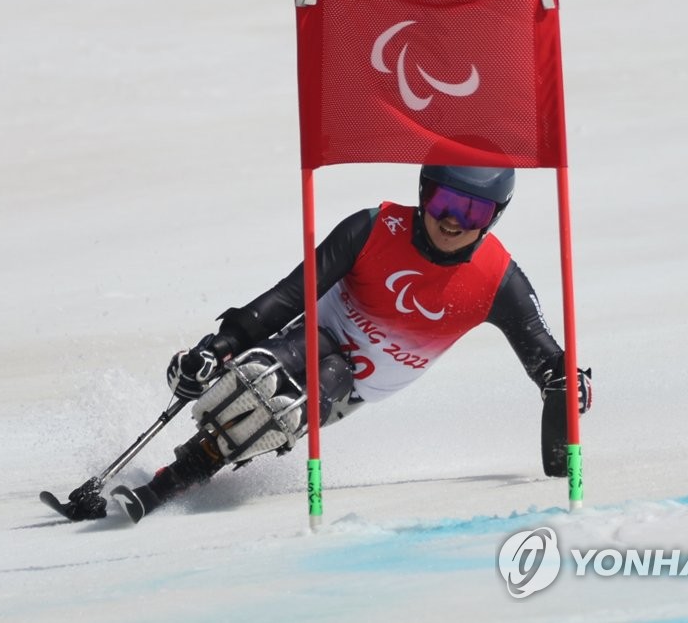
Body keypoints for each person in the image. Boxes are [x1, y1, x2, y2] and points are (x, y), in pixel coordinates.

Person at [109, 164, 593, 523]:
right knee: (262, 377)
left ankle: (172, 480)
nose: (453, 221)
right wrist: (222, 343)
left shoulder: (497, 279)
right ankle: (181, 424)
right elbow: (289, 295)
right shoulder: (374, 227)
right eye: (446, 201)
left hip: (359, 385)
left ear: (494, 217)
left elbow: (546, 359)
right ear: (424, 193)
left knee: (290, 399)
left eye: (473, 210)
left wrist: (568, 384)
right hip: (318, 334)